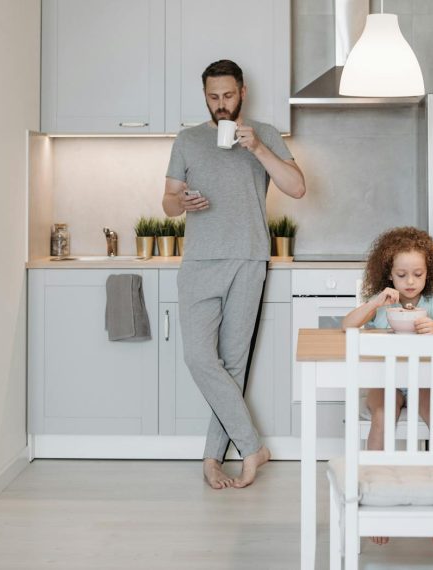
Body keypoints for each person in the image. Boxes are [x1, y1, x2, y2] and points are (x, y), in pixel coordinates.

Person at [162, 60, 305, 490]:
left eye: (227, 96)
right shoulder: (188, 139)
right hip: (200, 263)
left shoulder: (264, 134)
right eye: (212, 97)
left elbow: (297, 187)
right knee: (200, 358)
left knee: (233, 365)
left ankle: (212, 458)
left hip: (248, 259)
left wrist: (258, 148)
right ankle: (251, 446)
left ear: (242, 91)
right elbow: (167, 201)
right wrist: (181, 203)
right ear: (204, 94)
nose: (220, 105)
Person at [342, 226, 433, 546]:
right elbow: (348, 324)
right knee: (383, 417)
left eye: (418, 273)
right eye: (402, 274)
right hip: (384, 382)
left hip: (425, 381)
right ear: (389, 273)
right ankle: (375, 501)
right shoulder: (381, 301)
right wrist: (374, 302)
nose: (410, 281)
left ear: (429, 272)